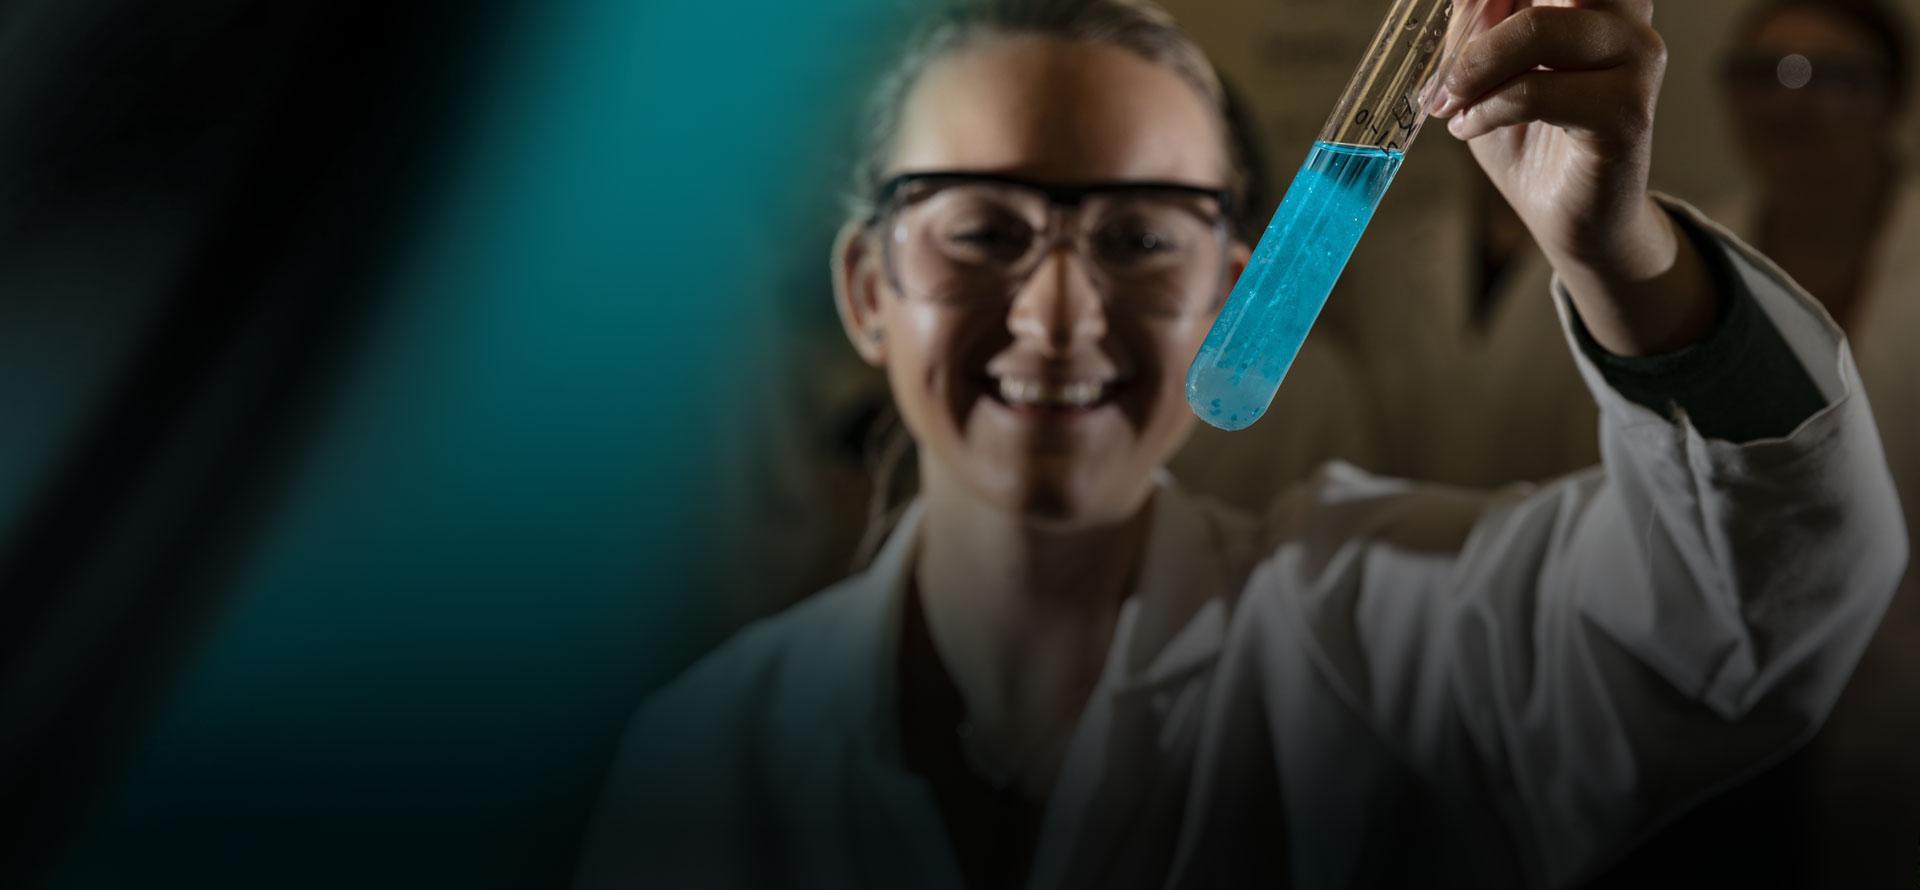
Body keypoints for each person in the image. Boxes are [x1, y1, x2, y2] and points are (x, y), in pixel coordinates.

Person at [577, 1, 1907, 887]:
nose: (1057, 311)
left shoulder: (1391, 632)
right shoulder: (699, 756)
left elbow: (1751, 621)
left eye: (1143, 234)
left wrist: (1618, 248)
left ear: (1237, 281)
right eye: (982, 229)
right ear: (867, 289)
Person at [1451, 1, 1920, 882]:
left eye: (1834, 76)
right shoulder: (1657, 251)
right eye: (1765, 74)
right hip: (1684, 694)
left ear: (1894, 100)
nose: (1794, 103)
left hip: (1896, 700)